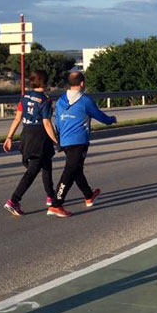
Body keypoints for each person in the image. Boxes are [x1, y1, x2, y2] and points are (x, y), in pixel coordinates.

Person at [48, 72, 117, 218]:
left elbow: (58, 122)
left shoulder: (61, 100)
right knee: (70, 171)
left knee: (76, 168)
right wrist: (111, 120)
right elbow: (100, 116)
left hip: (65, 140)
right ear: (82, 84)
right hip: (79, 141)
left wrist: (59, 139)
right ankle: (56, 204)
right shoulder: (85, 101)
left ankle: (89, 195)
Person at [2, 70, 59, 216]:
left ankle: (51, 196)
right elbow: (46, 123)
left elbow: (17, 118)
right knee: (33, 170)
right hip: (39, 137)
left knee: (46, 164)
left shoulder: (24, 97)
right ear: (45, 83)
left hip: (26, 135)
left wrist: (9, 137)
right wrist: (56, 140)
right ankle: (14, 200)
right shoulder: (46, 100)